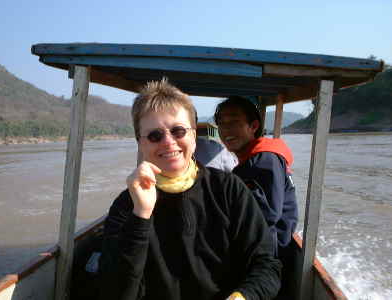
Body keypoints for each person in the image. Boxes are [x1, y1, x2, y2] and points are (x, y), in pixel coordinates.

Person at [98, 79, 281, 300]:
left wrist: (243, 297)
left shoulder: (228, 190)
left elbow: (266, 265)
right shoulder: (126, 206)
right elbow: (115, 291)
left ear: (193, 136)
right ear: (141, 142)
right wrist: (141, 215)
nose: (168, 142)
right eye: (155, 135)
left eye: (178, 131)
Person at [214, 96, 298, 297]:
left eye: (233, 122)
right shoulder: (251, 159)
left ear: (253, 126)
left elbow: (265, 215)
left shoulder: (263, 160)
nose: (226, 131)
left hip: (270, 257)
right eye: (221, 125)